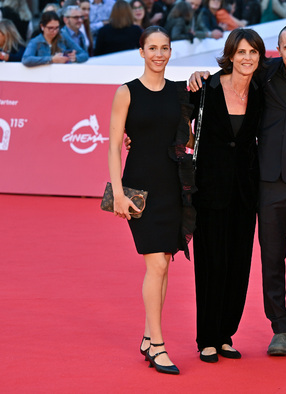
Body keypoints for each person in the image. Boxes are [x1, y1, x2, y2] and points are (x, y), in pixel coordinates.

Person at [189, 23, 286, 357]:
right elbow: (232, 74)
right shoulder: (265, 72)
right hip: (269, 181)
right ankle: (280, 329)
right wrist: (200, 75)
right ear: (279, 50)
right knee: (272, 258)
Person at [108, 25, 195, 375]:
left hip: (173, 185)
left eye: (165, 48)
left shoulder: (179, 92)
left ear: (171, 51)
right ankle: (158, 345)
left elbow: (189, 134)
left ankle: (148, 336)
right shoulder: (126, 92)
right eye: (152, 48)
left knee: (163, 263)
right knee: (155, 264)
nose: (159, 54)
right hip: (139, 188)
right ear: (141, 52)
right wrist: (117, 191)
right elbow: (115, 144)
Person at [190, 28, 266, 363]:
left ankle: (225, 335)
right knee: (211, 264)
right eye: (241, 52)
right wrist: (134, 138)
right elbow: (173, 121)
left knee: (238, 264)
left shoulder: (262, 92)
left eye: (253, 52)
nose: (247, 58)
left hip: (246, 193)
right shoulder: (204, 88)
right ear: (230, 56)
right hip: (209, 190)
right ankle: (206, 336)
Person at [22, 11, 89, 67]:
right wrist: (51, 59)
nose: (54, 31)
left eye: (57, 28)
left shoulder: (63, 37)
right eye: (50, 28)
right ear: (42, 26)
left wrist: (75, 58)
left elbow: (84, 54)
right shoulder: (36, 41)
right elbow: (26, 59)